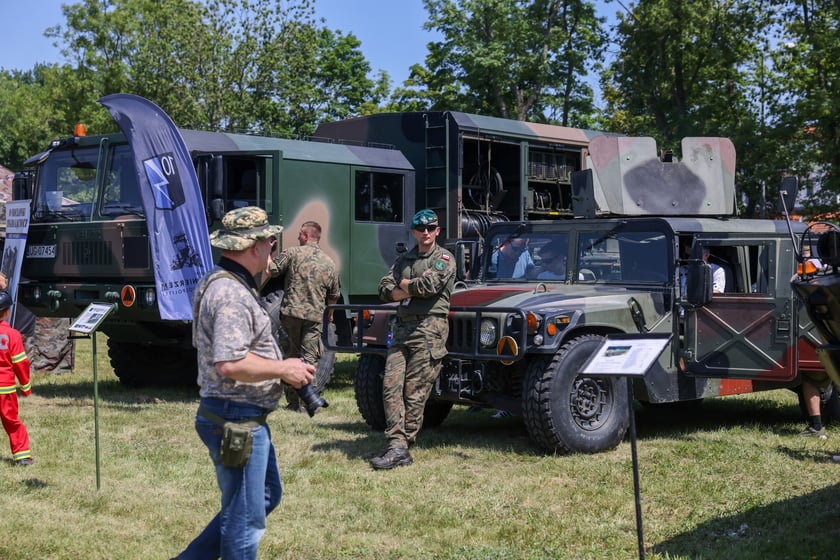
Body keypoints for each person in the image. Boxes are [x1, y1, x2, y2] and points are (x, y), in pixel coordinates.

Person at [173, 206, 315, 560]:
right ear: (254, 246)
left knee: (265, 495)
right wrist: (283, 370)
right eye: (270, 241)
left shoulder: (222, 281)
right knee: (244, 524)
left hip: (239, 415)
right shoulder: (231, 295)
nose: (273, 249)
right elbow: (230, 362)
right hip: (235, 418)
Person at [370, 209, 455, 470]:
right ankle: (397, 444)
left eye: (431, 228)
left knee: (414, 393)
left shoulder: (443, 258)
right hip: (403, 329)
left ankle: (402, 445)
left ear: (437, 231)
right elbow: (383, 288)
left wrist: (403, 287)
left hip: (429, 330)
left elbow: (428, 286)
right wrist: (408, 287)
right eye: (421, 229)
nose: (426, 233)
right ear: (414, 232)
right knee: (390, 387)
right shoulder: (405, 258)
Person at [268, 221, 341, 411]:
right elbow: (333, 295)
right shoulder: (329, 262)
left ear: (307, 236)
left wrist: (268, 252)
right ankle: (308, 403)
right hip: (314, 318)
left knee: (290, 358)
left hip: (291, 315)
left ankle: (292, 403)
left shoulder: (292, 253)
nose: (298, 237)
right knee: (309, 360)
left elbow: (272, 270)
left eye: (300, 234)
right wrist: (330, 314)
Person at [0, 290, 33, 466]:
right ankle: (21, 456)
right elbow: (21, 363)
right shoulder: (13, 335)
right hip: (5, 390)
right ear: (7, 312)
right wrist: (26, 386)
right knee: (12, 422)